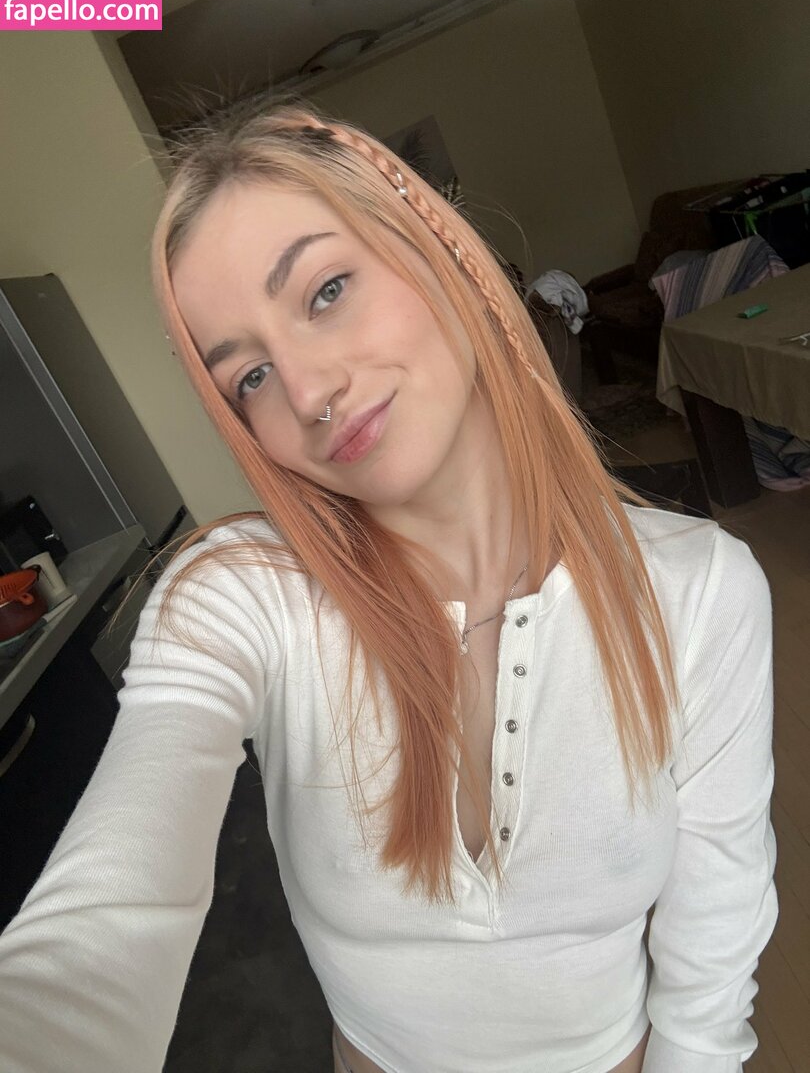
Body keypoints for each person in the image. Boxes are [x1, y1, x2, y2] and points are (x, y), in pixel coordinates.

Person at [0, 100, 777, 1073]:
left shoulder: (701, 594)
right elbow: (104, 918)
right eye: (250, 377)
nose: (308, 390)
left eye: (326, 290)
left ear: (441, 254)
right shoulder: (239, 598)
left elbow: (714, 950)